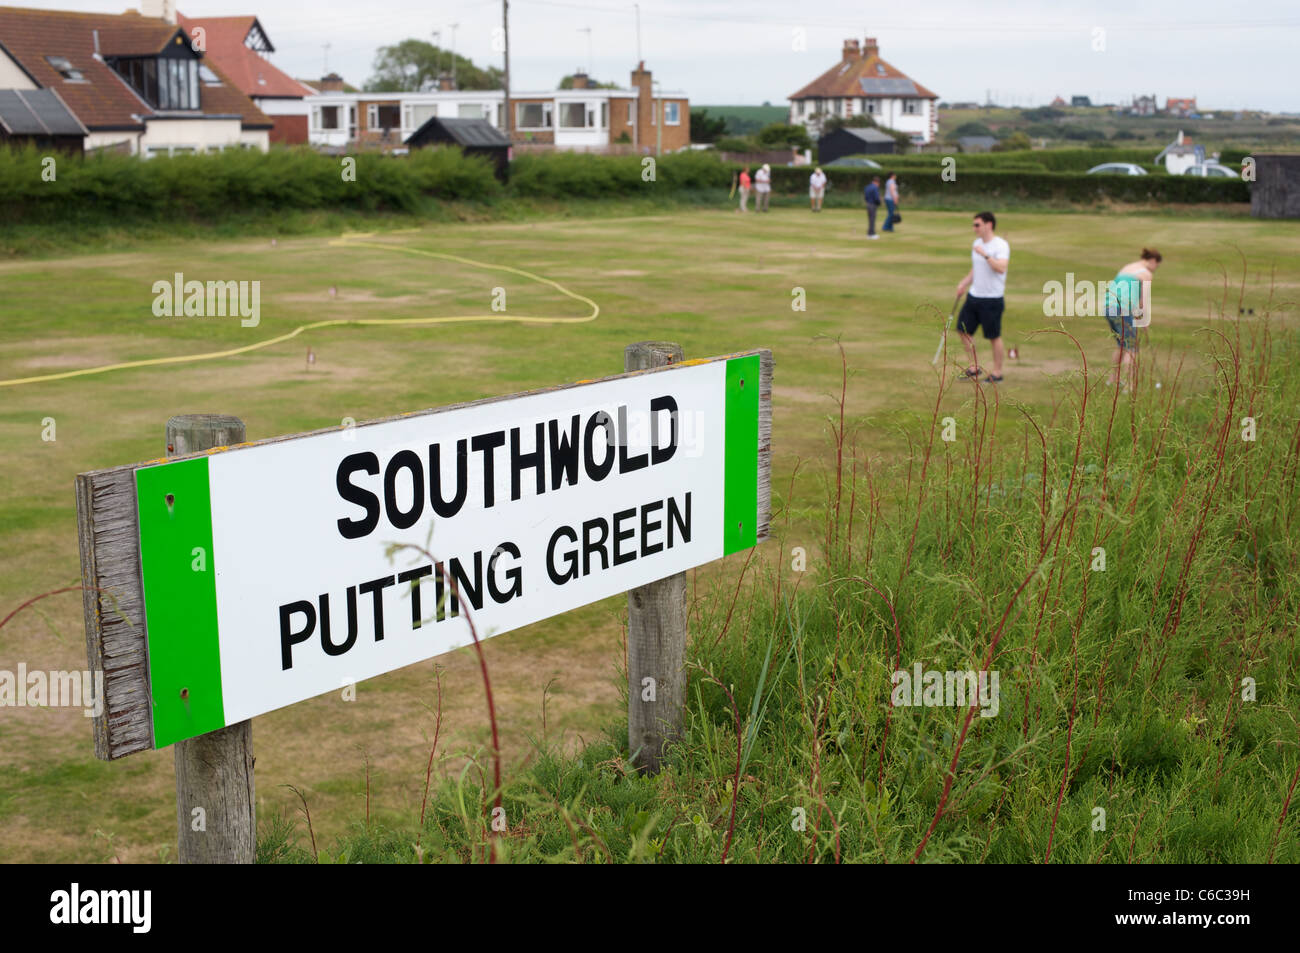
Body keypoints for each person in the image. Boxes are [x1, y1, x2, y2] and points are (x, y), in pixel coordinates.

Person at [955, 211, 1010, 383]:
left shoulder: (1000, 245)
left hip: (992, 299)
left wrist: (986, 255)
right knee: (963, 331)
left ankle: (997, 372)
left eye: (977, 225)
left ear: (989, 224)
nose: (974, 228)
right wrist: (964, 283)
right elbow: (976, 269)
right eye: (973, 225)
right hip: (974, 296)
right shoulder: (977, 243)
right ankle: (974, 367)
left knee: (994, 336)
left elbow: (1001, 268)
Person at [1104, 248, 1162, 389]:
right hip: (1123, 308)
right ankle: (1129, 386)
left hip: (1108, 307)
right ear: (1153, 261)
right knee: (1132, 348)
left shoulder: (1127, 267)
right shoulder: (1146, 274)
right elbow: (1143, 301)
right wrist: (1144, 319)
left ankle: (1113, 380)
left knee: (1121, 345)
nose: (1155, 270)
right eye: (1157, 266)